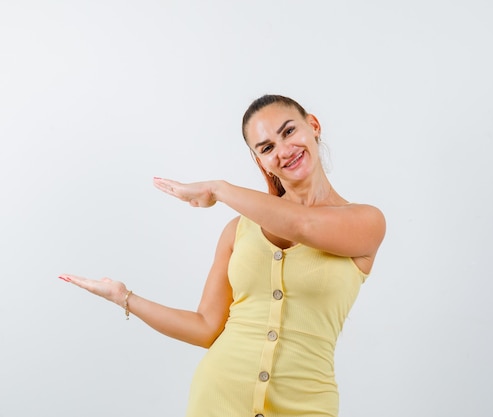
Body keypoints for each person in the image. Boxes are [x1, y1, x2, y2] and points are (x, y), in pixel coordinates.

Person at [58, 94, 386, 417]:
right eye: (267, 148)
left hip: (308, 405)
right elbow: (206, 327)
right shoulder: (238, 231)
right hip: (219, 399)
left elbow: (303, 225)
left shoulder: (365, 222)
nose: (284, 151)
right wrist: (125, 297)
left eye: (289, 132)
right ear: (260, 161)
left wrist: (219, 189)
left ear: (313, 126)